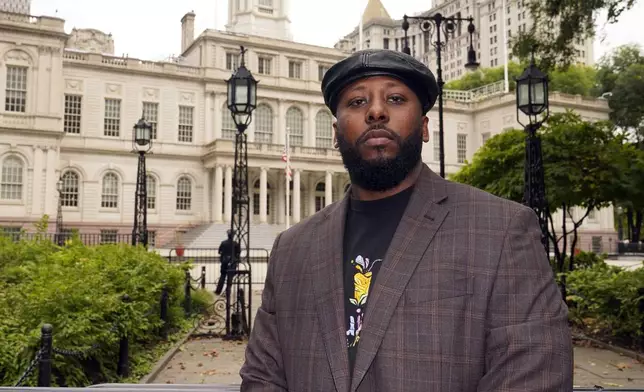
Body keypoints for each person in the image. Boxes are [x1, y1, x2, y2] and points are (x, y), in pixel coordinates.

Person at [240, 49, 572, 392]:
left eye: (396, 98)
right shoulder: (293, 248)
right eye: (356, 102)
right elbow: (263, 376)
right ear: (336, 133)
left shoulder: (501, 230)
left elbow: (533, 374)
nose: (376, 111)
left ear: (424, 127)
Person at [215, 229, 241, 296]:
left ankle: (218, 291)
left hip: (224, 261)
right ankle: (227, 292)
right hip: (232, 262)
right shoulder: (236, 244)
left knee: (222, 277)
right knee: (230, 278)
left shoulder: (223, 243)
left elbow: (219, 251)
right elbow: (238, 253)